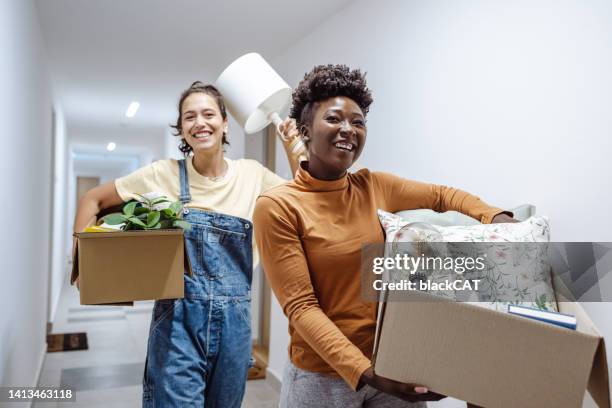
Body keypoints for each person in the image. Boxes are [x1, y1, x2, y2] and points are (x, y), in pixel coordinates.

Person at [253, 65, 516, 408]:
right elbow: (302, 308)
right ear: (304, 130)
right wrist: (368, 373)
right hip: (323, 378)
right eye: (334, 119)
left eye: (358, 122)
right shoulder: (277, 206)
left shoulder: (373, 186)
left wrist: (496, 216)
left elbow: (440, 195)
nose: (348, 129)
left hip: (395, 363)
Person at [72, 81, 303, 407]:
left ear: (225, 123)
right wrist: (82, 257)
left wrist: (292, 148)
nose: (200, 123)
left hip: (236, 327)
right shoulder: (162, 174)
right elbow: (92, 199)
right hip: (178, 323)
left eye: (208, 114)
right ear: (181, 130)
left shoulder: (253, 175)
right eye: (189, 117)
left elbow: (303, 201)